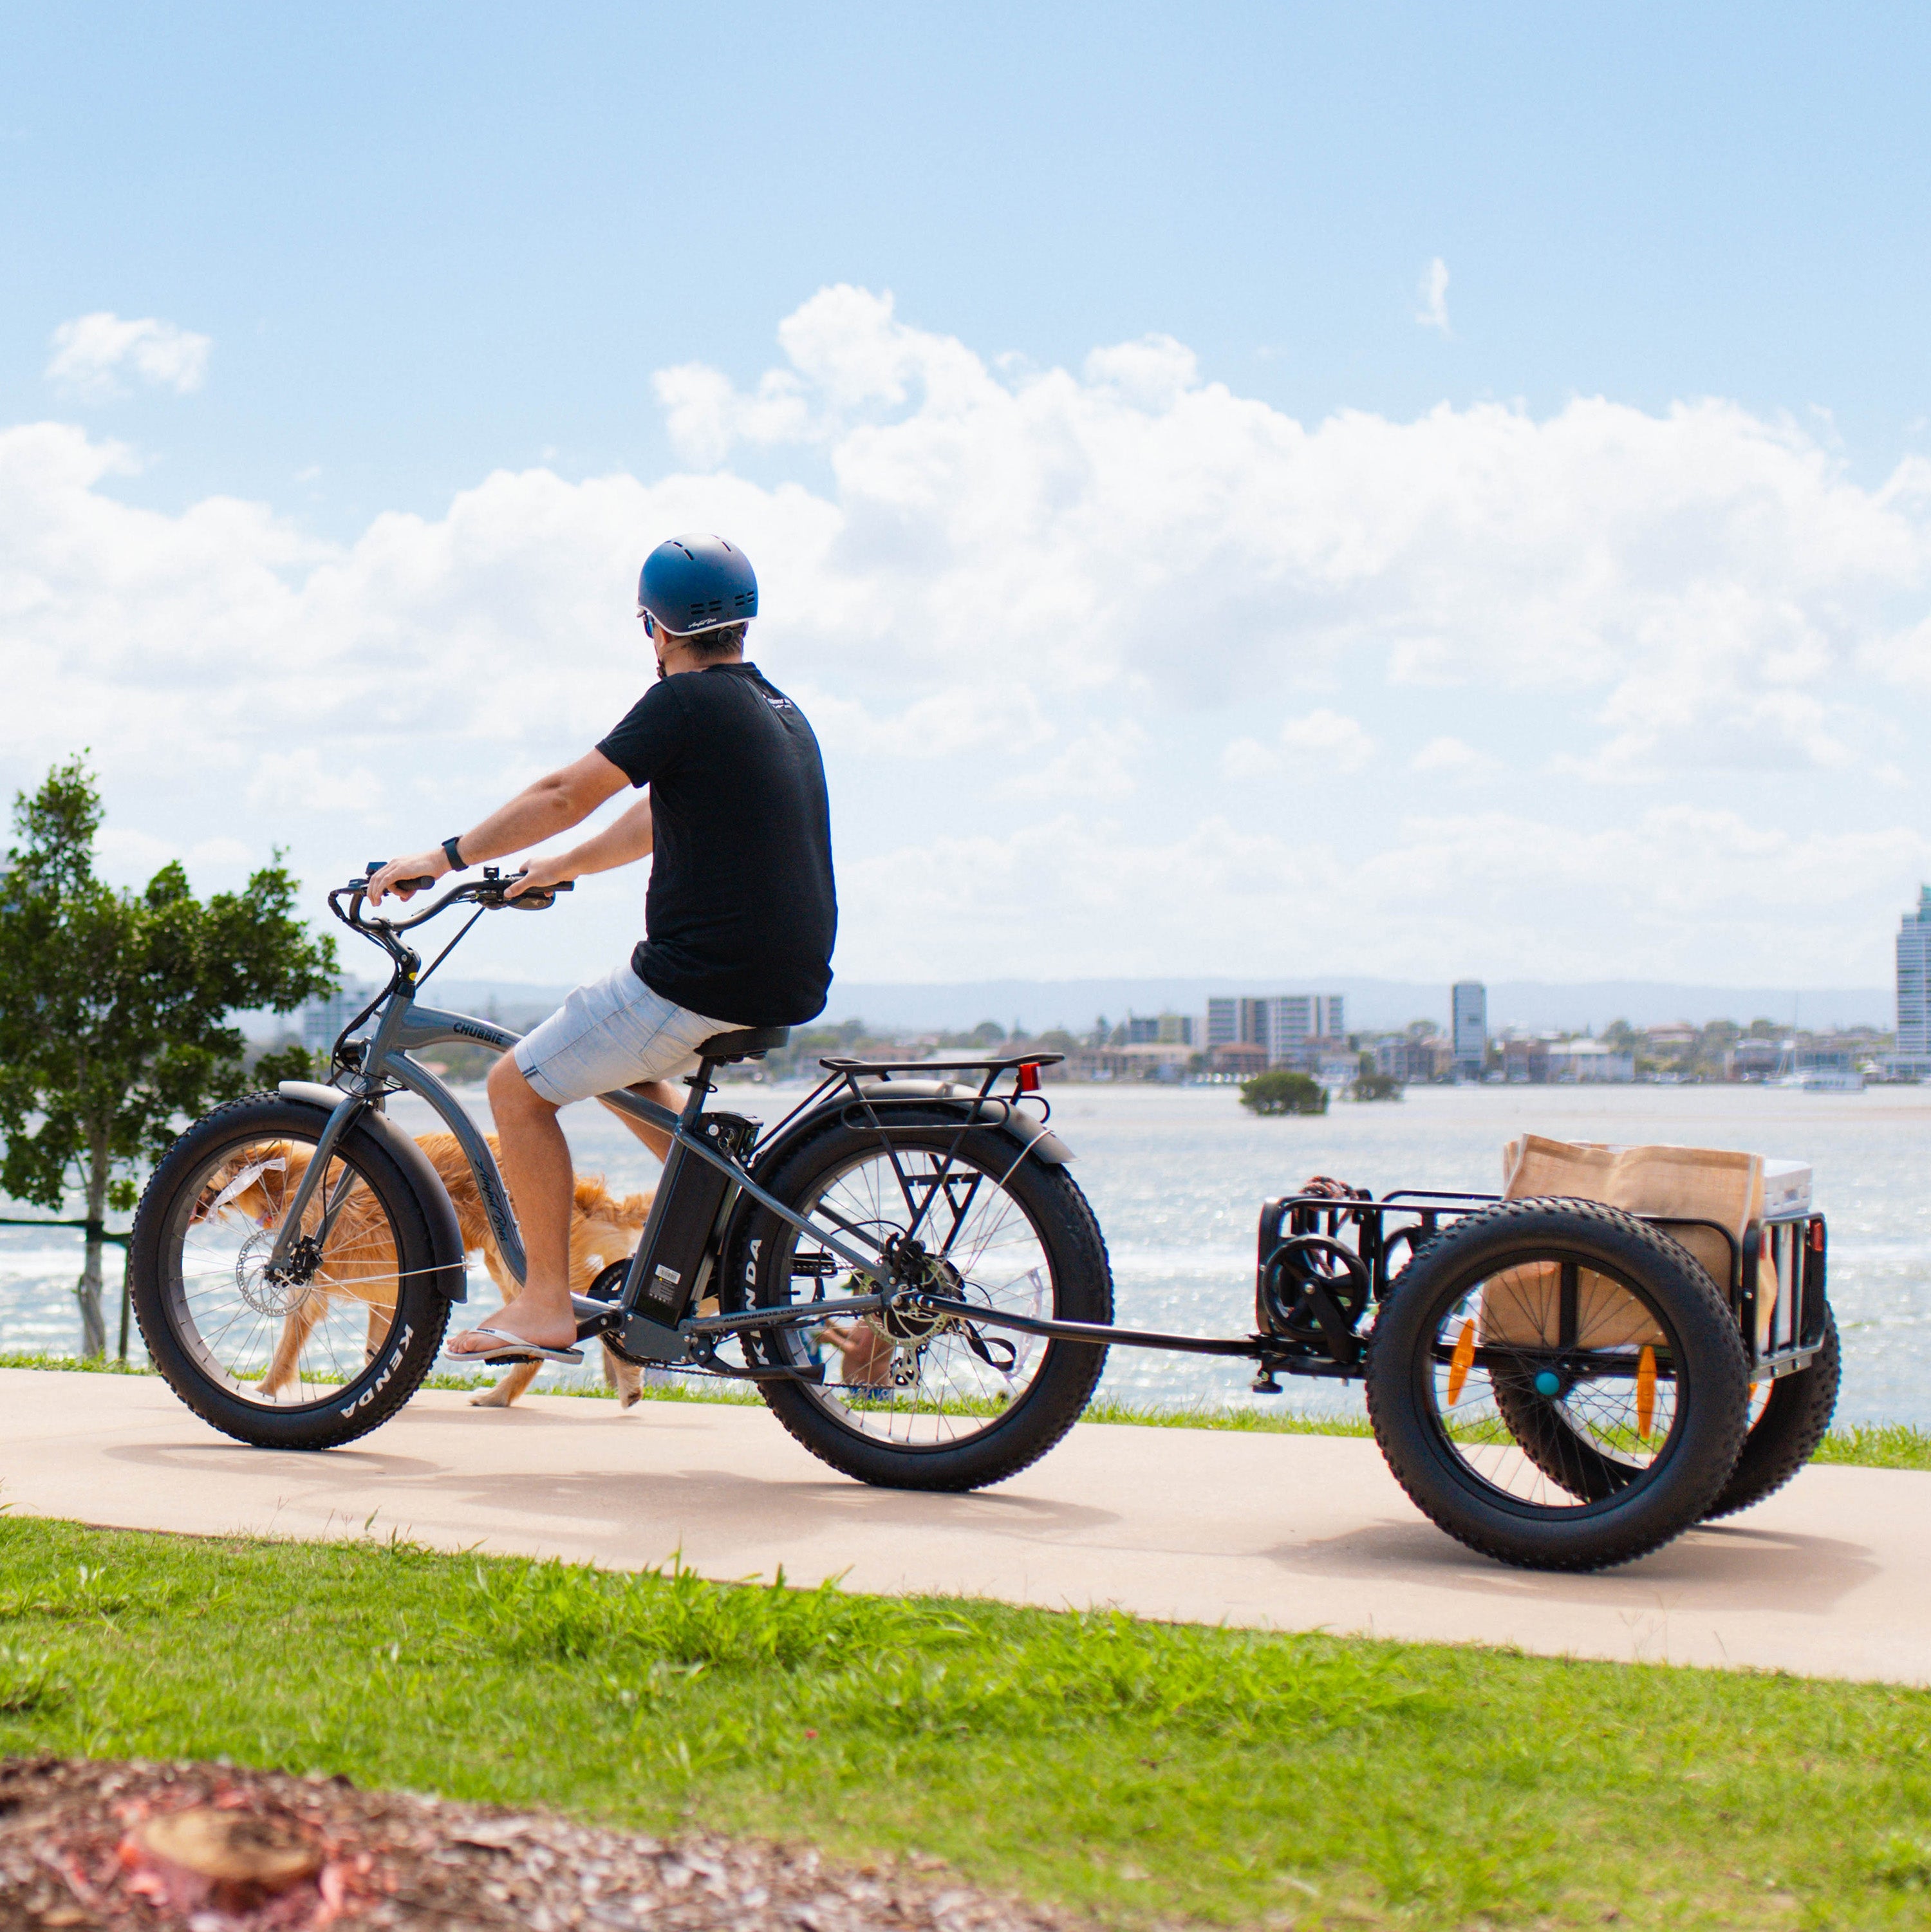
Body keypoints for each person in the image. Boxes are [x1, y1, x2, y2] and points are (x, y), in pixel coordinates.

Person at [368, 533, 836, 1363]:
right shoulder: (776, 710)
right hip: (783, 976)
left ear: (655, 627)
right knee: (619, 1070)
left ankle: (545, 1301)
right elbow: (657, 815)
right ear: (744, 621)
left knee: (516, 1088)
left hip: (699, 978)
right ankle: (736, 1225)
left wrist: (442, 859)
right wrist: (557, 867)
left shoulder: (682, 703)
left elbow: (563, 793)